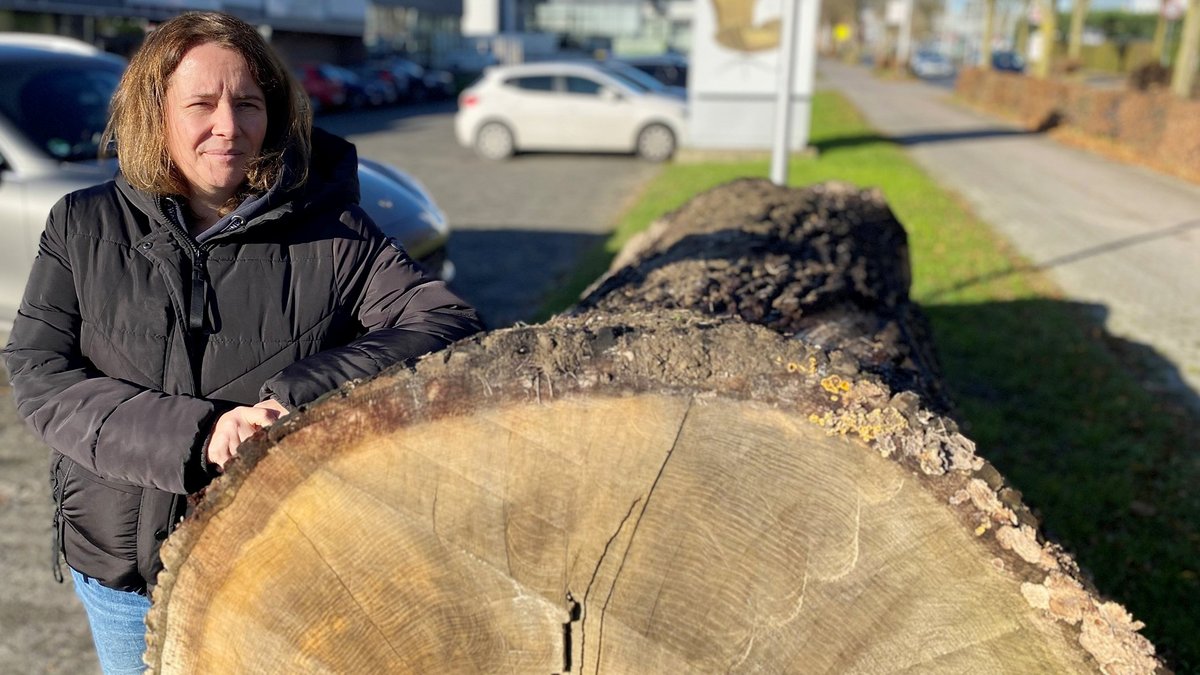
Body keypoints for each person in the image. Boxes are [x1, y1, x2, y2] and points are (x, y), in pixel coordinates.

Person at [2, 11, 482, 673]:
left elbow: (446, 318)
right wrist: (200, 434)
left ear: (274, 113)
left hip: (275, 566)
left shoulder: (333, 231)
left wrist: (300, 395)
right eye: (201, 103)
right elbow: (38, 372)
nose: (228, 126)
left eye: (248, 103)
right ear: (156, 111)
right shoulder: (82, 224)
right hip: (122, 575)